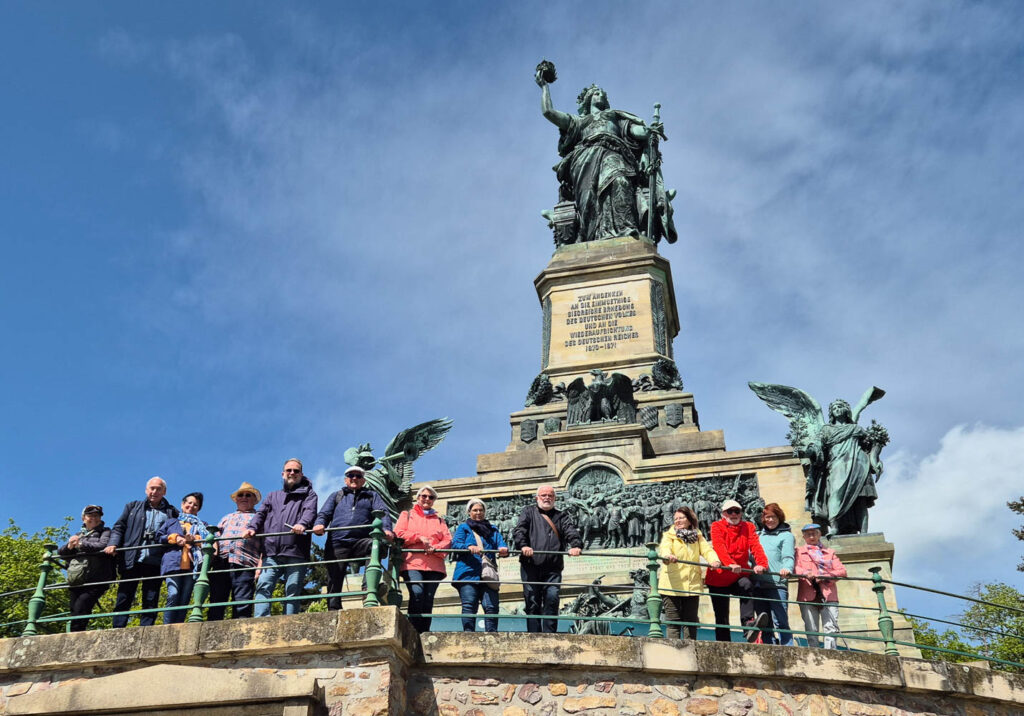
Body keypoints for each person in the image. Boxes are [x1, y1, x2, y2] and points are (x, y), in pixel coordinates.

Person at [535, 72, 676, 245]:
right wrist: (544, 87)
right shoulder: (580, 122)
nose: (600, 94)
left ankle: (625, 229)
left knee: (621, 182)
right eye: (596, 93)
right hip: (586, 159)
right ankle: (589, 236)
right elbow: (548, 112)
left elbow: (634, 131)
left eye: (602, 93)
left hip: (614, 153)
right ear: (587, 100)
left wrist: (648, 131)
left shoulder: (615, 117)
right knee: (588, 201)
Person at [312, 465, 394, 610]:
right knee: (334, 577)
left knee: (376, 546)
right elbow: (324, 513)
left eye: (358, 476)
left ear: (363, 480)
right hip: (338, 541)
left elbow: (383, 512)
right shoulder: (336, 496)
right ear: (346, 480)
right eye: (351, 476)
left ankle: (367, 589)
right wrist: (319, 524)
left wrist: (386, 529)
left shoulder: (371, 495)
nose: (354, 478)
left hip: (360, 540)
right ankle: (333, 609)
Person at [245, 459, 318, 617]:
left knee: (292, 589)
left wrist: (302, 524)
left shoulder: (309, 495)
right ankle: (261, 620)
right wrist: (252, 528)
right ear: (283, 473)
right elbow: (261, 514)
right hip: (271, 552)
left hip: (296, 551)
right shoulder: (272, 496)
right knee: (264, 585)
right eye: (289, 470)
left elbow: (310, 512)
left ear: (301, 474)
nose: (292, 473)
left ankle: (289, 621)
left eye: (296, 471)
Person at [104, 477, 179, 628]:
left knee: (151, 598)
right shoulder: (132, 507)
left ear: (164, 492)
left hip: (156, 560)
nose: (154, 491)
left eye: (158, 489)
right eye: (152, 488)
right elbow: (119, 527)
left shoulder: (172, 512)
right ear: (146, 490)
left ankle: (146, 630)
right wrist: (113, 544)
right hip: (132, 557)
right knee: (124, 595)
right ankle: (117, 629)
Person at [512, 485, 583, 633]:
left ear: (554, 498)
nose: (547, 498)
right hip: (530, 565)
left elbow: (570, 531)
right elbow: (520, 530)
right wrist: (523, 546)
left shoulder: (561, 516)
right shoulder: (528, 512)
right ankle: (534, 635)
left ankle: (550, 635)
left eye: (550, 495)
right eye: (543, 495)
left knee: (552, 599)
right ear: (537, 498)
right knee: (532, 602)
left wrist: (576, 545)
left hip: (553, 567)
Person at [705, 499, 770, 643]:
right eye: (730, 511)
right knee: (721, 615)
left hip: (737, 575)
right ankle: (724, 645)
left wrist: (762, 565)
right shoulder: (716, 526)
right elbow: (719, 546)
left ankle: (748, 626)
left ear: (741, 513)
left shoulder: (748, 526)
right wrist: (729, 563)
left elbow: (756, 546)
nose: (733, 514)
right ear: (723, 514)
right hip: (719, 577)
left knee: (746, 584)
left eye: (737, 511)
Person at [657, 506, 721, 640]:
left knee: (690, 621)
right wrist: (668, 556)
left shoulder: (697, 535)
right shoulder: (669, 536)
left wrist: (714, 561)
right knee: (673, 622)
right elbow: (664, 548)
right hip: (671, 585)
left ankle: (690, 652)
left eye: (681, 518)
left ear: (690, 520)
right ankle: (674, 654)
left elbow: (707, 550)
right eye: (676, 519)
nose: (678, 521)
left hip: (692, 585)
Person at [393, 485, 451, 633]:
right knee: (417, 593)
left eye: (430, 497)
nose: (427, 499)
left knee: (428, 599)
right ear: (418, 498)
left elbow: (448, 540)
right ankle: (412, 630)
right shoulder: (407, 515)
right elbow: (398, 533)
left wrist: (435, 547)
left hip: (434, 566)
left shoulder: (440, 520)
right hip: (412, 563)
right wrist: (418, 538)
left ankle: (424, 632)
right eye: (423, 496)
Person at [451, 498, 509, 632]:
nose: (478, 513)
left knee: (491, 607)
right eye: (475, 510)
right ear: (469, 512)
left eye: (481, 510)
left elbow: (500, 543)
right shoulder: (463, 528)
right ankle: (468, 634)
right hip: (468, 572)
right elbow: (455, 544)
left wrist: (503, 549)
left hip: (488, 573)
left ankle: (492, 635)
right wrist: (469, 546)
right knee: (469, 605)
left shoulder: (492, 529)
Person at [207, 482, 262, 620]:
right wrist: (212, 555)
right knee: (216, 601)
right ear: (236, 499)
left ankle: (240, 635)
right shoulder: (226, 518)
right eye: (241, 495)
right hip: (222, 563)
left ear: (254, 500)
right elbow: (216, 537)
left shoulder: (259, 519)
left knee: (242, 603)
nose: (244, 497)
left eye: (248, 495)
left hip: (245, 563)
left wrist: (260, 567)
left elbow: (265, 544)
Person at [58, 505, 114, 632]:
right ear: (84, 518)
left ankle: (74, 636)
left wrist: (81, 544)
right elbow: (61, 552)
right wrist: (70, 546)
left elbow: (102, 545)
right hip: (77, 578)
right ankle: (76, 634)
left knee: (82, 605)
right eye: (90, 516)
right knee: (74, 609)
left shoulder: (106, 532)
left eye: (97, 516)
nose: (94, 518)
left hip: (96, 578)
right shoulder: (78, 534)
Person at [157, 492, 209, 624]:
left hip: (192, 566)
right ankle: (167, 626)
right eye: (189, 503)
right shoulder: (171, 522)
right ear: (183, 504)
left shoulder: (202, 525)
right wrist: (175, 538)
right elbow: (159, 537)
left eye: (196, 505)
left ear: (199, 508)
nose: (191, 506)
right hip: (173, 563)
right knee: (173, 594)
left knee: (185, 599)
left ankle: (179, 625)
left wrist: (196, 539)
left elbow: (208, 540)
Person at [794, 523, 847, 649]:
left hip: (828, 595)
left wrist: (823, 575)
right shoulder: (799, 552)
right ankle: (814, 653)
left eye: (814, 533)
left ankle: (830, 653)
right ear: (804, 536)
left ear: (819, 534)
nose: (811, 536)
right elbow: (796, 568)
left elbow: (842, 571)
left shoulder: (829, 552)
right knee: (811, 629)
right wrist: (806, 573)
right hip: (807, 595)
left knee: (831, 628)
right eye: (808, 534)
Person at [754, 503, 795, 645]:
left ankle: (788, 650)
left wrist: (787, 569)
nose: (770, 520)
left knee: (781, 621)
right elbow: (749, 556)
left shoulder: (787, 536)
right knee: (764, 622)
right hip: (758, 584)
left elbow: (788, 557)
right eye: (767, 517)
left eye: (773, 517)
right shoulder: (758, 536)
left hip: (777, 583)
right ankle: (769, 650)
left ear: (779, 517)